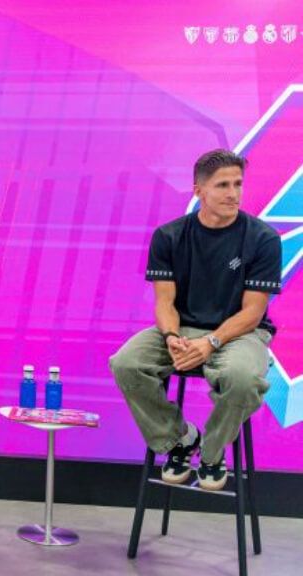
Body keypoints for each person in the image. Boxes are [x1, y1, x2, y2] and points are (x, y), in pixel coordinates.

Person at [110, 149, 281, 491]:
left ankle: (212, 453)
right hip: (182, 327)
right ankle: (180, 439)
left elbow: (252, 313)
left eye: (237, 184)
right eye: (222, 185)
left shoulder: (263, 239)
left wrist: (211, 342)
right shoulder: (169, 236)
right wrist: (172, 336)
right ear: (198, 191)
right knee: (126, 363)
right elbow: (165, 302)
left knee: (243, 378)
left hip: (240, 333)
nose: (233, 193)